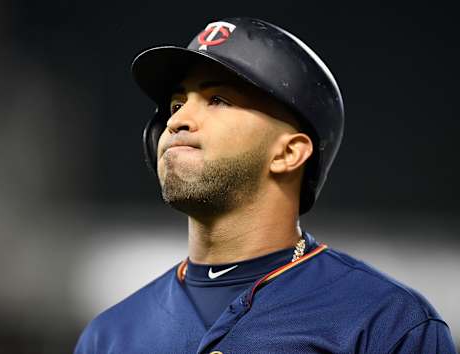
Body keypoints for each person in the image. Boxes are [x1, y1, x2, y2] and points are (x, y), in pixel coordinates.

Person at [74, 17, 457, 353]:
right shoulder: (108, 336)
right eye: (176, 105)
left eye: (218, 99)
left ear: (288, 153)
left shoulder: (386, 324)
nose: (178, 121)